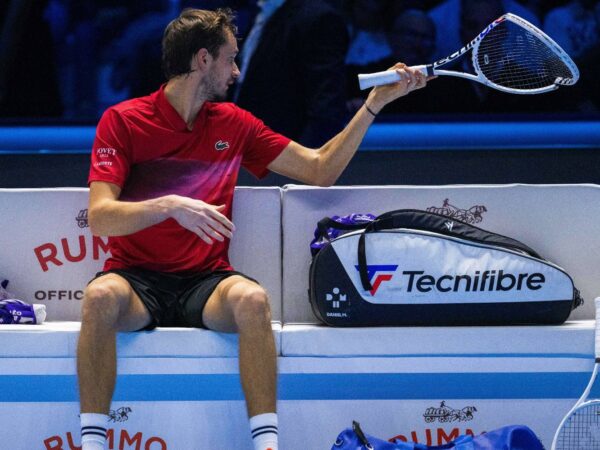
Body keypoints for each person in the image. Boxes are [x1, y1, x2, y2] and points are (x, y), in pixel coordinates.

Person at [78, 7, 429, 450]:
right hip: (135, 280)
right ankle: (91, 443)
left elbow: (320, 169)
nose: (237, 70)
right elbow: (101, 216)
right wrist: (169, 206)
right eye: (230, 59)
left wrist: (374, 105)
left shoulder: (234, 123)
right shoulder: (124, 120)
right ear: (203, 59)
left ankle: (266, 444)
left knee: (253, 301)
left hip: (204, 283)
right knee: (98, 298)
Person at [234, 0, 349, 149]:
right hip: (247, 153)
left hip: (278, 158)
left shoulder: (316, 17)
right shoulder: (259, 13)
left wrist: (298, 166)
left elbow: (326, 111)